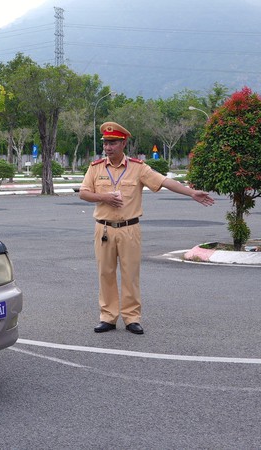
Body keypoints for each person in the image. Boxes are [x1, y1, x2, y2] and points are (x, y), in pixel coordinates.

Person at [79, 122, 214, 335]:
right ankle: (108, 317)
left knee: (130, 274)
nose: (107, 147)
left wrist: (191, 193)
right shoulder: (95, 168)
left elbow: (164, 182)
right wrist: (103, 197)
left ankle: (132, 318)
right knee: (105, 273)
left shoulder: (138, 167)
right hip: (104, 229)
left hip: (129, 229)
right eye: (105, 143)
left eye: (112, 143)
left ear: (123, 143)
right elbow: (84, 193)